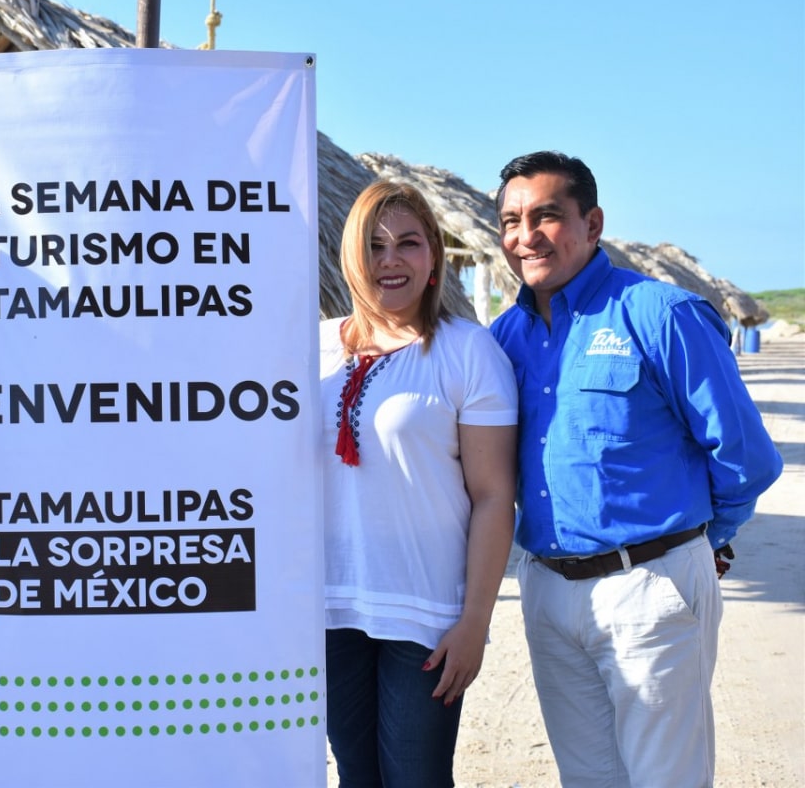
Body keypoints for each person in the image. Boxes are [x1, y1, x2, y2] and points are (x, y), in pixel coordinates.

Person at [490, 151, 783, 787]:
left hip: (650, 585)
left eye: (546, 215)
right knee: (587, 779)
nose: (526, 235)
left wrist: (700, 542)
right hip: (546, 591)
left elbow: (746, 458)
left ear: (592, 223)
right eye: (511, 221)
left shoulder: (661, 315)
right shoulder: (502, 339)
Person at [321, 180, 518, 787]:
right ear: (350, 257)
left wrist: (474, 622)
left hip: (426, 613)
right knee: (355, 776)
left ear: (433, 254)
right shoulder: (312, 349)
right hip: (328, 607)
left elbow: (493, 497)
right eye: (374, 245)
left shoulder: (468, 350)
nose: (390, 259)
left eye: (408, 242)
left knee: (417, 777)